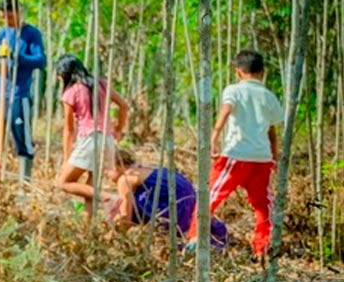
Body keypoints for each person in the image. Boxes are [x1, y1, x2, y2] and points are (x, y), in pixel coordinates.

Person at [189, 49, 284, 258]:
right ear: (263, 72)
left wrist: (213, 137)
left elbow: (225, 111)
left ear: (238, 72)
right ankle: (262, 249)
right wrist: (274, 158)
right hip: (261, 158)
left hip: (236, 156)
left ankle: (195, 239)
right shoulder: (269, 97)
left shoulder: (234, 90)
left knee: (210, 197)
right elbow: (272, 132)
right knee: (264, 206)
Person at [55, 53, 130, 223]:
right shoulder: (101, 84)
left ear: (65, 74)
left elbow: (68, 129)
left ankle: (108, 198)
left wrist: (67, 158)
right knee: (90, 188)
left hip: (89, 139)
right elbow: (124, 106)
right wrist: (118, 130)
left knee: (64, 183)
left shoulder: (70, 93)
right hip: (107, 140)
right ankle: (87, 230)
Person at [105, 149, 228, 250]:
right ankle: (219, 236)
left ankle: (205, 247)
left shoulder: (126, 179)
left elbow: (126, 219)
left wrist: (108, 239)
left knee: (179, 241)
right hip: (186, 191)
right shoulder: (143, 168)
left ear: (117, 165)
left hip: (175, 199)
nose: (105, 173)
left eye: (107, 168)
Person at [0, 0, 47, 180]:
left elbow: (40, 61)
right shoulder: (2, 33)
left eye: (9, 17)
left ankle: (24, 184)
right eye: (3, 18)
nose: (7, 22)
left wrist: (16, 54)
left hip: (19, 95)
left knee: (22, 140)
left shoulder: (32, 34)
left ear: (19, 13)